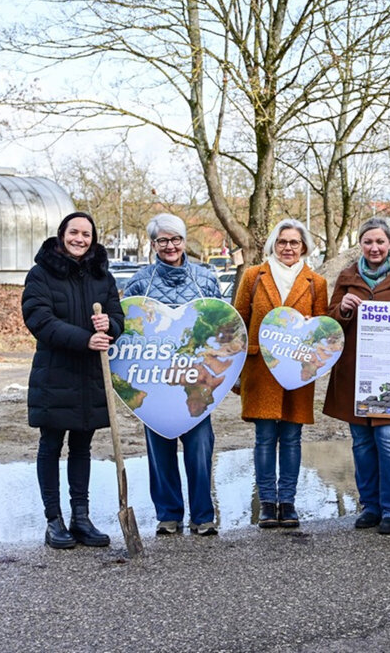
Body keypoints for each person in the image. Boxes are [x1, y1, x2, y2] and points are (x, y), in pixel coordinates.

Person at [22, 211, 124, 549]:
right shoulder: (41, 274)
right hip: (55, 373)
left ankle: (81, 517)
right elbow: (39, 319)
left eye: (86, 234)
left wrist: (110, 326)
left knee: (82, 446)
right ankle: (54, 520)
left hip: (90, 377)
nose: (80, 239)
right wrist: (84, 340)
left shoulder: (102, 276)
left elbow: (119, 319)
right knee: (51, 445)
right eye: (74, 233)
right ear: (61, 234)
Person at [122, 213, 223, 536]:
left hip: (195, 381)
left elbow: (221, 327)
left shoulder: (205, 279)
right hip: (155, 382)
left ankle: (203, 516)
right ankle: (168, 515)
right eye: (162, 240)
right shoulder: (140, 282)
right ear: (153, 244)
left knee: (199, 448)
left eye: (175, 239)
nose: (170, 246)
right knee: (160, 450)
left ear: (184, 241)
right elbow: (128, 332)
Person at [326, 218, 390, 535]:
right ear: (360, 244)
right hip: (355, 374)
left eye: (380, 242)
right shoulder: (347, 276)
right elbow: (328, 327)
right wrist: (342, 308)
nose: (374, 248)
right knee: (362, 444)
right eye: (368, 242)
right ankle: (370, 506)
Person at [233, 219, 328, 530]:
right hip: (260, 368)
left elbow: (324, 330)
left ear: (304, 247)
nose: (288, 247)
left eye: (294, 243)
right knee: (264, 439)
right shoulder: (253, 277)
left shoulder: (316, 282)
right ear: (273, 243)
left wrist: (308, 325)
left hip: (299, 369)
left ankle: (287, 502)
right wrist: (235, 368)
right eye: (283, 241)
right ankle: (267, 503)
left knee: (291, 437)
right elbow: (238, 323)